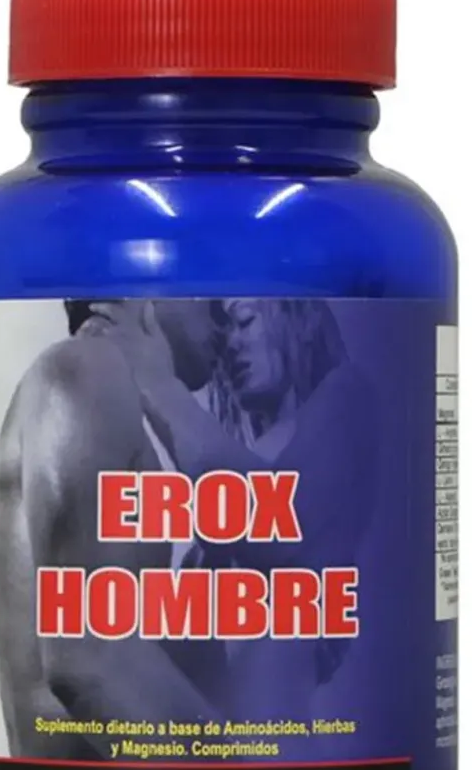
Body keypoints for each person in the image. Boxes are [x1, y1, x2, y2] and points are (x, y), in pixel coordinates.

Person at [113, 297, 380, 714]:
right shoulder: (251, 451)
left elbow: (275, 521)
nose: (230, 344)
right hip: (219, 732)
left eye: (245, 321)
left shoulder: (346, 395)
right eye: (223, 334)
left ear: (302, 319)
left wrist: (156, 381)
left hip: (284, 730)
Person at [0, 299, 226, 760]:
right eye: (213, 297)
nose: (225, 315)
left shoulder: (101, 392)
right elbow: (90, 658)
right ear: (145, 295)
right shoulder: (88, 367)